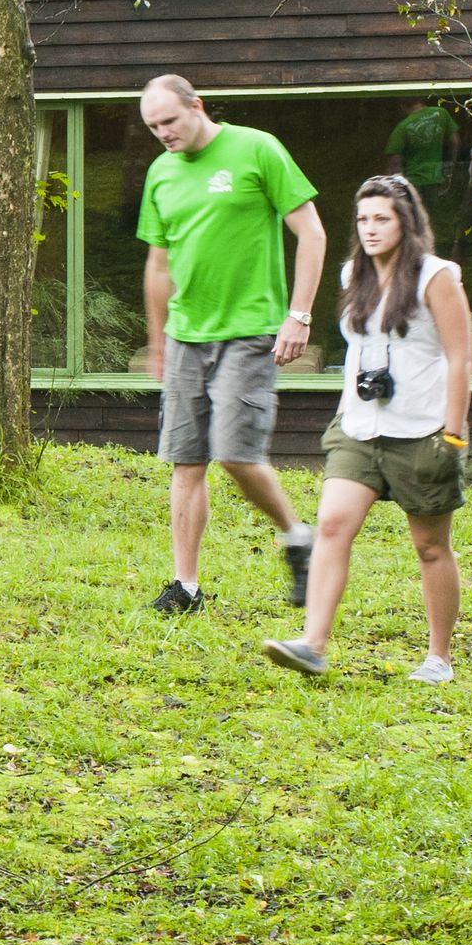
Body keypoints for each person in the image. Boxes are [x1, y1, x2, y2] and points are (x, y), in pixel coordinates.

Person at [261, 175, 471, 681]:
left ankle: (438, 657)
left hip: (422, 429)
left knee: (430, 546)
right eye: (363, 219)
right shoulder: (352, 273)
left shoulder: (435, 276)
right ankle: (313, 644)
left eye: (382, 218)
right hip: (358, 426)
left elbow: (461, 357)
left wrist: (454, 434)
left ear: (406, 222)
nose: (370, 228)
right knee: (332, 525)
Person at [135, 74, 327, 613]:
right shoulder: (160, 172)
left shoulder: (257, 149)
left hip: (250, 330)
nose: (163, 134)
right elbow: (158, 264)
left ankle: (298, 537)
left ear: (197, 106)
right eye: (153, 127)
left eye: (170, 121)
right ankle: (186, 587)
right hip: (185, 336)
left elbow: (311, 232)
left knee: (236, 452)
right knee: (186, 460)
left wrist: (300, 314)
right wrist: (157, 342)